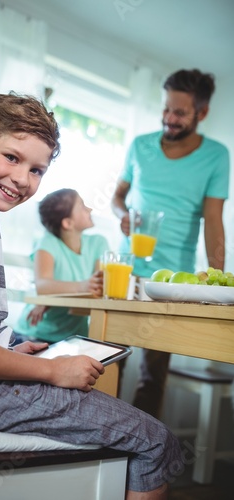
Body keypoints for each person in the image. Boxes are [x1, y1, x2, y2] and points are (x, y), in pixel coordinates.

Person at [0, 91, 183, 499]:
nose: (23, 179)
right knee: (158, 442)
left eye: (37, 170)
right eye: (11, 157)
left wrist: (10, 351)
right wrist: (52, 371)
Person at [111, 69, 230, 419]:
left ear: (202, 114)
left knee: (152, 374)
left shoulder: (216, 156)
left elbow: (214, 221)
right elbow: (119, 196)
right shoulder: (140, 145)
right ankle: (100, 448)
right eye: (166, 109)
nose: (169, 118)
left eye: (179, 112)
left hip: (171, 283)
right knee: (108, 358)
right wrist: (122, 211)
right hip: (126, 271)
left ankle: (139, 458)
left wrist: (216, 282)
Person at [13, 188, 109, 344]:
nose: (90, 209)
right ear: (68, 223)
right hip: (35, 334)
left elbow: (99, 287)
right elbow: (43, 286)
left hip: (73, 338)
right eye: (83, 207)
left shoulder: (98, 243)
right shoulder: (48, 242)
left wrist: (53, 298)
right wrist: (83, 286)